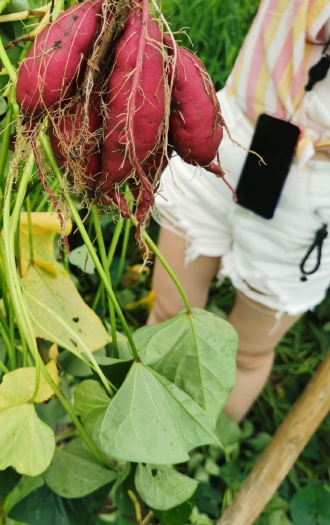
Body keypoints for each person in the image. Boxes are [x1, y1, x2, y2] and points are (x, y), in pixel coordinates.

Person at [147, 0, 330, 423]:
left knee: (248, 352)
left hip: (314, 188)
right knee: (170, 310)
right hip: (230, 130)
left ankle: (208, 440)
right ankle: (151, 417)